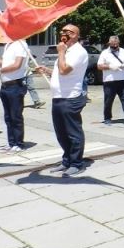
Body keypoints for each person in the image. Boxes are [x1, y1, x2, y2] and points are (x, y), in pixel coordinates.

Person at [36, 24, 89, 177]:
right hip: (59, 97)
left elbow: (64, 70)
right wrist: (47, 71)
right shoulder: (66, 51)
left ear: (76, 35)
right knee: (61, 133)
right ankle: (67, 160)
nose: (64, 33)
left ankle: (77, 163)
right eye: (62, 31)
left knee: (73, 133)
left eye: (69, 31)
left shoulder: (78, 52)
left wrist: (60, 52)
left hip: (70, 98)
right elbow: (60, 72)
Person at [0, 39, 30, 151]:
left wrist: (1, 70)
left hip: (15, 85)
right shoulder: (8, 45)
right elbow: (4, 64)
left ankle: (19, 143)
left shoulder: (21, 44)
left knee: (16, 116)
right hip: (5, 85)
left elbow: (17, 65)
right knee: (8, 117)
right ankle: (11, 142)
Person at [98, 35, 124, 125]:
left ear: (118, 43)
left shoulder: (123, 51)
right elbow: (99, 66)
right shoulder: (105, 53)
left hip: (122, 80)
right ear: (109, 43)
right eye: (112, 45)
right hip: (109, 80)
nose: (114, 46)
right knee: (108, 100)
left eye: (116, 44)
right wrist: (110, 67)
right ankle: (107, 118)